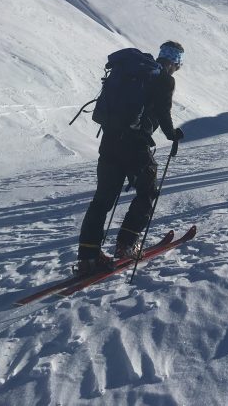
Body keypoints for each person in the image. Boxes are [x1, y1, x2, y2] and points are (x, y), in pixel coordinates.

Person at [76, 41, 185, 275]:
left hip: (109, 141)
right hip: (135, 145)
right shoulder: (164, 79)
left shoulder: (133, 72)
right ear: (176, 62)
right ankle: (127, 244)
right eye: (178, 64)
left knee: (102, 200)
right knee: (147, 192)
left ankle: (88, 257)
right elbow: (163, 112)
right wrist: (173, 135)